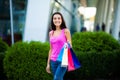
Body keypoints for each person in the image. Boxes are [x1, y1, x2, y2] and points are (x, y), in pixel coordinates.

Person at [46, 12, 72, 80]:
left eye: (59, 18)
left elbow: (70, 46)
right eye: (55, 18)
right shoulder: (51, 33)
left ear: (61, 20)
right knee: (58, 78)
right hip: (53, 61)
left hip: (62, 60)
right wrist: (48, 64)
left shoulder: (66, 31)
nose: (57, 20)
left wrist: (68, 43)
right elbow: (51, 49)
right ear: (52, 20)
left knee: (57, 78)